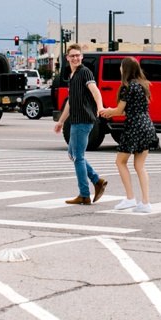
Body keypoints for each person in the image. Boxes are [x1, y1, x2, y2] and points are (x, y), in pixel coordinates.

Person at [99, 56, 159, 213]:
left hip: (134, 127)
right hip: (147, 125)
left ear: (125, 69)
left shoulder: (127, 87)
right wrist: (113, 110)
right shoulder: (144, 85)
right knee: (140, 165)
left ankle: (130, 198)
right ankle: (145, 202)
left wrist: (107, 111)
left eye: (121, 66)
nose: (119, 68)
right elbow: (132, 108)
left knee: (120, 162)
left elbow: (119, 111)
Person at [53, 45, 107, 205]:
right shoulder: (73, 75)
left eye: (78, 55)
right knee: (74, 154)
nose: (75, 58)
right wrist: (61, 121)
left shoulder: (84, 72)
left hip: (83, 120)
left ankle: (84, 194)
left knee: (78, 157)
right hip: (75, 120)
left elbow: (95, 90)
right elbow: (70, 101)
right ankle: (97, 181)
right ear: (67, 58)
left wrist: (100, 107)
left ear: (82, 57)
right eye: (72, 56)